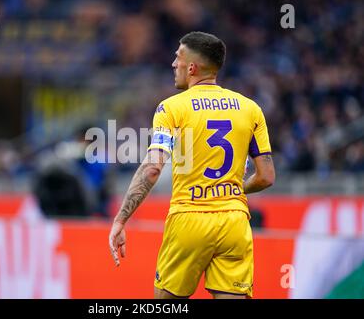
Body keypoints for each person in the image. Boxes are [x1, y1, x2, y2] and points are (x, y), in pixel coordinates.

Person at [108, 31, 275, 299]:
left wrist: (121, 219)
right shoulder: (251, 108)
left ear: (193, 67)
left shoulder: (171, 108)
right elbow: (266, 176)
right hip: (235, 221)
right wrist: (232, 190)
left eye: (178, 57)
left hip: (189, 218)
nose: (174, 64)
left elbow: (152, 169)